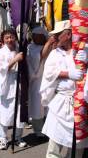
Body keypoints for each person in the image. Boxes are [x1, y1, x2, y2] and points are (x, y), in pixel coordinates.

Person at [40, 20, 88, 157]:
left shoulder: (82, 51)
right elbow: (48, 73)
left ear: (67, 34)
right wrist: (68, 74)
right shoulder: (55, 53)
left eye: (58, 35)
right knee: (54, 146)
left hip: (80, 104)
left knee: (78, 147)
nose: (54, 38)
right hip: (61, 103)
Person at [0, 29, 27, 150]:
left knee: (19, 113)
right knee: (5, 114)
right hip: (6, 86)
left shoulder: (19, 49)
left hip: (18, 84)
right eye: (7, 37)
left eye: (11, 37)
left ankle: (18, 137)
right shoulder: (0, 52)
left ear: (15, 38)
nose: (9, 40)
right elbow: (1, 70)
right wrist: (15, 60)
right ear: (3, 39)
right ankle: (2, 138)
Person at [26, 26, 54, 137]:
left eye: (36, 36)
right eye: (33, 36)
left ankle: (48, 130)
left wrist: (50, 43)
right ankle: (38, 132)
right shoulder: (31, 47)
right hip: (37, 81)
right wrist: (49, 43)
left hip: (49, 81)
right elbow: (42, 55)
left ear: (43, 37)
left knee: (49, 106)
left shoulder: (51, 47)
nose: (34, 38)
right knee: (37, 106)